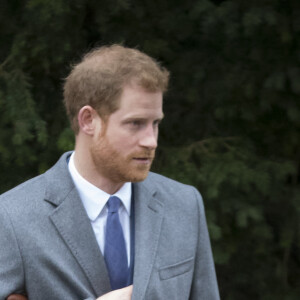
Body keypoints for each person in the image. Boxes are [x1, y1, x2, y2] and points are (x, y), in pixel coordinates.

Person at [0, 45, 220, 300]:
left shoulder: (184, 204)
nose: (151, 141)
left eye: (155, 123)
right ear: (88, 120)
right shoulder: (11, 217)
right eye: (135, 123)